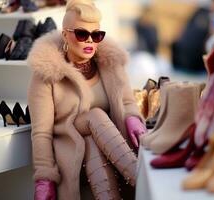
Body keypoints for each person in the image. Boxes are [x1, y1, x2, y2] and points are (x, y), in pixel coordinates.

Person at [27, 0, 146, 199]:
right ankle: (142, 180)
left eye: (97, 35)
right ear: (65, 34)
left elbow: (127, 102)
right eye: (82, 34)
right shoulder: (46, 74)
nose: (90, 41)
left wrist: (132, 117)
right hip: (71, 155)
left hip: (110, 149)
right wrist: (44, 177)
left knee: (91, 142)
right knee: (95, 115)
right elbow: (41, 133)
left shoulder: (110, 62)